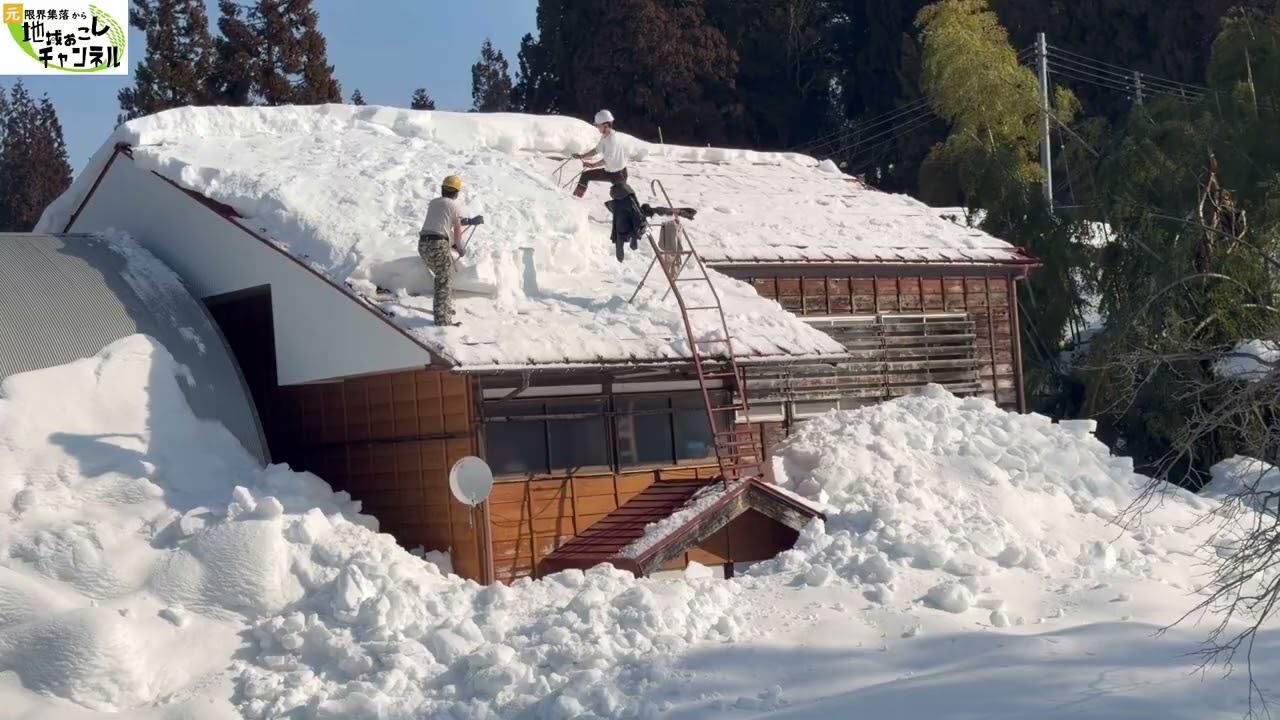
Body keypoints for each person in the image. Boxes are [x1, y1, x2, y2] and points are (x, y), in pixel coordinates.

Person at [419, 175, 482, 326]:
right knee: (443, 279)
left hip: (423, 244)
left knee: (443, 277)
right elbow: (457, 231)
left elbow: (446, 218)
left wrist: (471, 221)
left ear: (442, 189)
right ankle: (442, 320)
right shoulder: (454, 206)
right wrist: (460, 249)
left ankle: (444, 308)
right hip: (437, 244)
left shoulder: (434, 203)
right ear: (456, 193)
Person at [572, 109, 629, 198]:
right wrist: (582, 156)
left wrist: (592, 165)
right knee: (585, 176)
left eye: (598, 125)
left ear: (605, 125)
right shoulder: (605, 136)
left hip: (619, 174)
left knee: (622, 198)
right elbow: (597, 150)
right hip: (610, 172)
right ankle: (576, 198)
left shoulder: (612, 139)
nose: (597, 127)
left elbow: (607, 160)